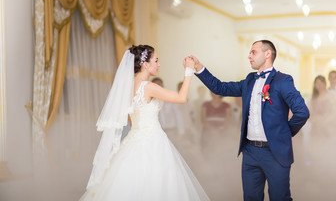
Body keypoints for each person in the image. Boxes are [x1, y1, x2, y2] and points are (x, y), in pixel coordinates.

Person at [80, 45, 210, 201]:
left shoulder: (127, 86)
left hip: (133, 138)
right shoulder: (148, 87)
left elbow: (130, 117)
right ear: (145, 64)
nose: (159, 64)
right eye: (156, 60)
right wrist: (189, 71)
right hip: (152, 140)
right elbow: (182, 98)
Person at [189, 40, 309, 201]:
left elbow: (302, 112)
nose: (249, 56)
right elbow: (220, 87)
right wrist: (199, 68)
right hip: (250, 152)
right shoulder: (249, 80)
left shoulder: (283, 81)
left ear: (267, 54)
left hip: (275, 153)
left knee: (280, 198)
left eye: (253, 52)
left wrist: (285, 134)